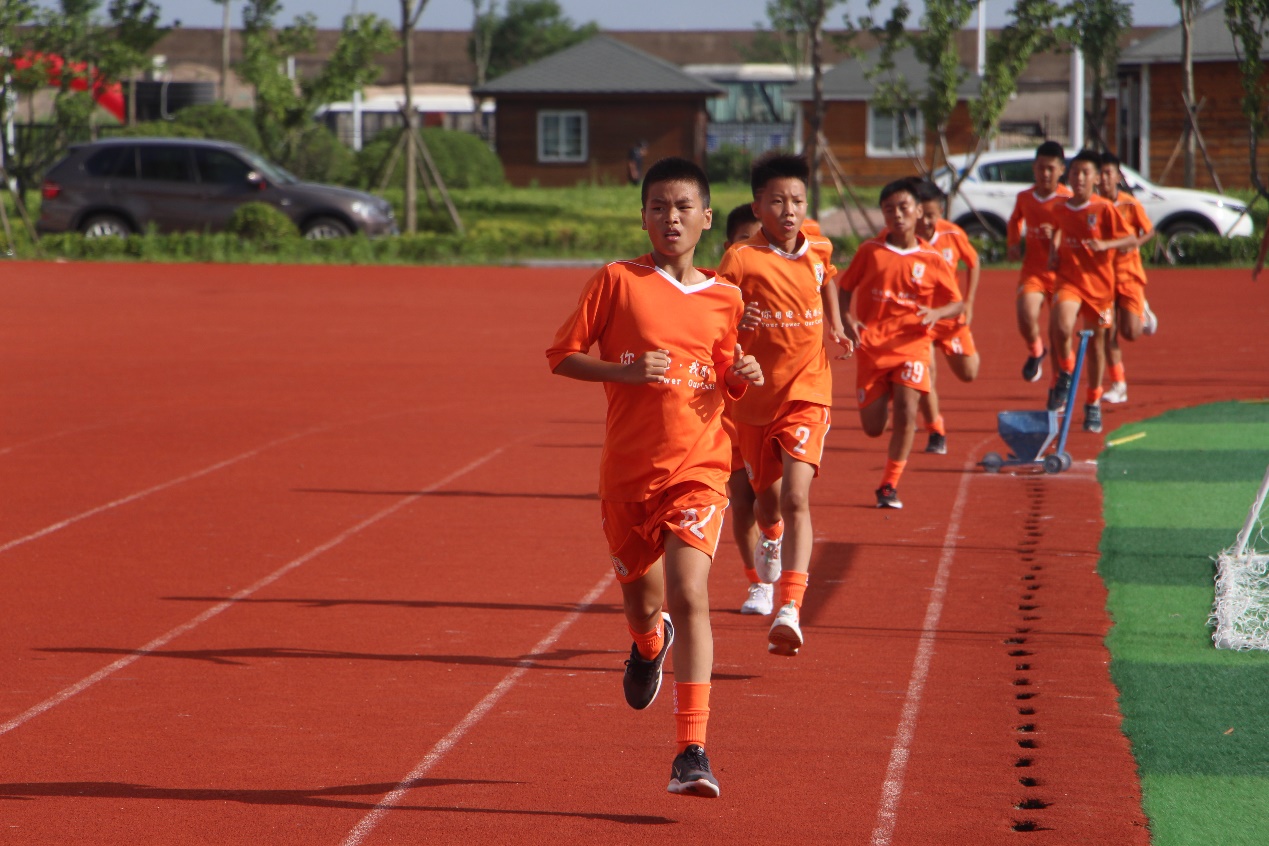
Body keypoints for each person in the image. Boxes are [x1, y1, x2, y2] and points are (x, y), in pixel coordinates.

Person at [546, 157, 764, 798]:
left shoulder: (727, 296)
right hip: (627, 475)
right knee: (644, 602)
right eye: (658, 207)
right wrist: (624, 371)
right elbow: (561, 357)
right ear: (643, 216)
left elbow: (722, 374)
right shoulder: (616, 281)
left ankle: (691, 750)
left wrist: (740, 377)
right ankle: (647, 645)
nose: (670, 218)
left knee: (689, 590)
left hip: (699, 467)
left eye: (682, 207)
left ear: (705, 217)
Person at [715, 152, 846, 657]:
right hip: (754, 404)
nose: (788, 210)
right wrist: (735, 342)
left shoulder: (818, 245)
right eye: (777, 201)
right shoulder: (742, 260)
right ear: (758, 205)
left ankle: (789, 607)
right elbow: (717, 324)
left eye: (796, 200)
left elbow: (827, 277)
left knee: (797, 498)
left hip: (808, 392)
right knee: (766, 505)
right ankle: (769, 536)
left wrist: (835, 324)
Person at [838, 177, 964, 509]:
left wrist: (936, 312)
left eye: (904, 207)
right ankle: (890, 390)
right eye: (889, 208)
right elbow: (844, 287)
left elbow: (956, 302)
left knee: (908, 412)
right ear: (883, 214)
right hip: (873, 349)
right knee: (873, 428)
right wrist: (847, 320)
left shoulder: (933, 258)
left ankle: (889, 485)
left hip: (913, 346)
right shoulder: (871, 252)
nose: (897, 214)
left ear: (919, 211)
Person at [1046, 149, 1137, 433]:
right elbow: (1058, 227)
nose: (1080, 178)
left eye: (1086, 173)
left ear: (1096, 178)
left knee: (1097, 346)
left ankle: (1093, 402)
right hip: (1069, 280)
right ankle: (1066, 371)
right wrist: (1053, 249)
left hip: (1099, 287)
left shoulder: (1104, 209)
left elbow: (1130, 239)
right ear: (1068, 176)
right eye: (1075, 172)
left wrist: (1105, 246)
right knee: (1060, 326)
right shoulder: (1060, 207)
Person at [720, 203, 772, 616]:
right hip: (732, 419)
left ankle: (775, 547)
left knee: (772, 499)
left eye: (760, 240)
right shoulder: (714, 294)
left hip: (774, 414)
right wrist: (741, 327)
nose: (751, 249)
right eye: (744, 239)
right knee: (741, 502)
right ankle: (757, 583)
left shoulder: (783, 286)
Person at [911, 179, 981, 455]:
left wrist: (970, 301)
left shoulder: (952, 234)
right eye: (922, 215)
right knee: (926, 373)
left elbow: (974, 262)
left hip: (951, 318)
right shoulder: (901, 240)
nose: (927, 222)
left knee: (969, 373)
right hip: (920, 320)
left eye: (933, 215)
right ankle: (935, 430)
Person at [1007, 140, 1072, 386]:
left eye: (1051, 168)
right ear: (1034, 168)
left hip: (1062, 275)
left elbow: (1078, 233)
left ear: (1061, 170)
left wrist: (1058, 234)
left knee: (1058, 335)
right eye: (1041, 168)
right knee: (1025, 316)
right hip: (1033, 271)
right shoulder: (1025, 197)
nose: (1045, 174)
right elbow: (1015, 220)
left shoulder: (1068, 198)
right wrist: (1013, 243)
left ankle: (1060, 384)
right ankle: (1036, 351)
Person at [1097, 152, 1158, 404]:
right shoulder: (1092, 206)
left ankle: (1142, 311)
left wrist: (1134, 246)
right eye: (1099, 173)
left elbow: (1149, 231)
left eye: (1107, 173)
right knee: (1105, 332)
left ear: (1118, 176)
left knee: (1130, 333)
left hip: (1129, 274)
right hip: (1102, 279)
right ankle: (1118, 384)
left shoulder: (1129, 204)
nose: (1103, 178)